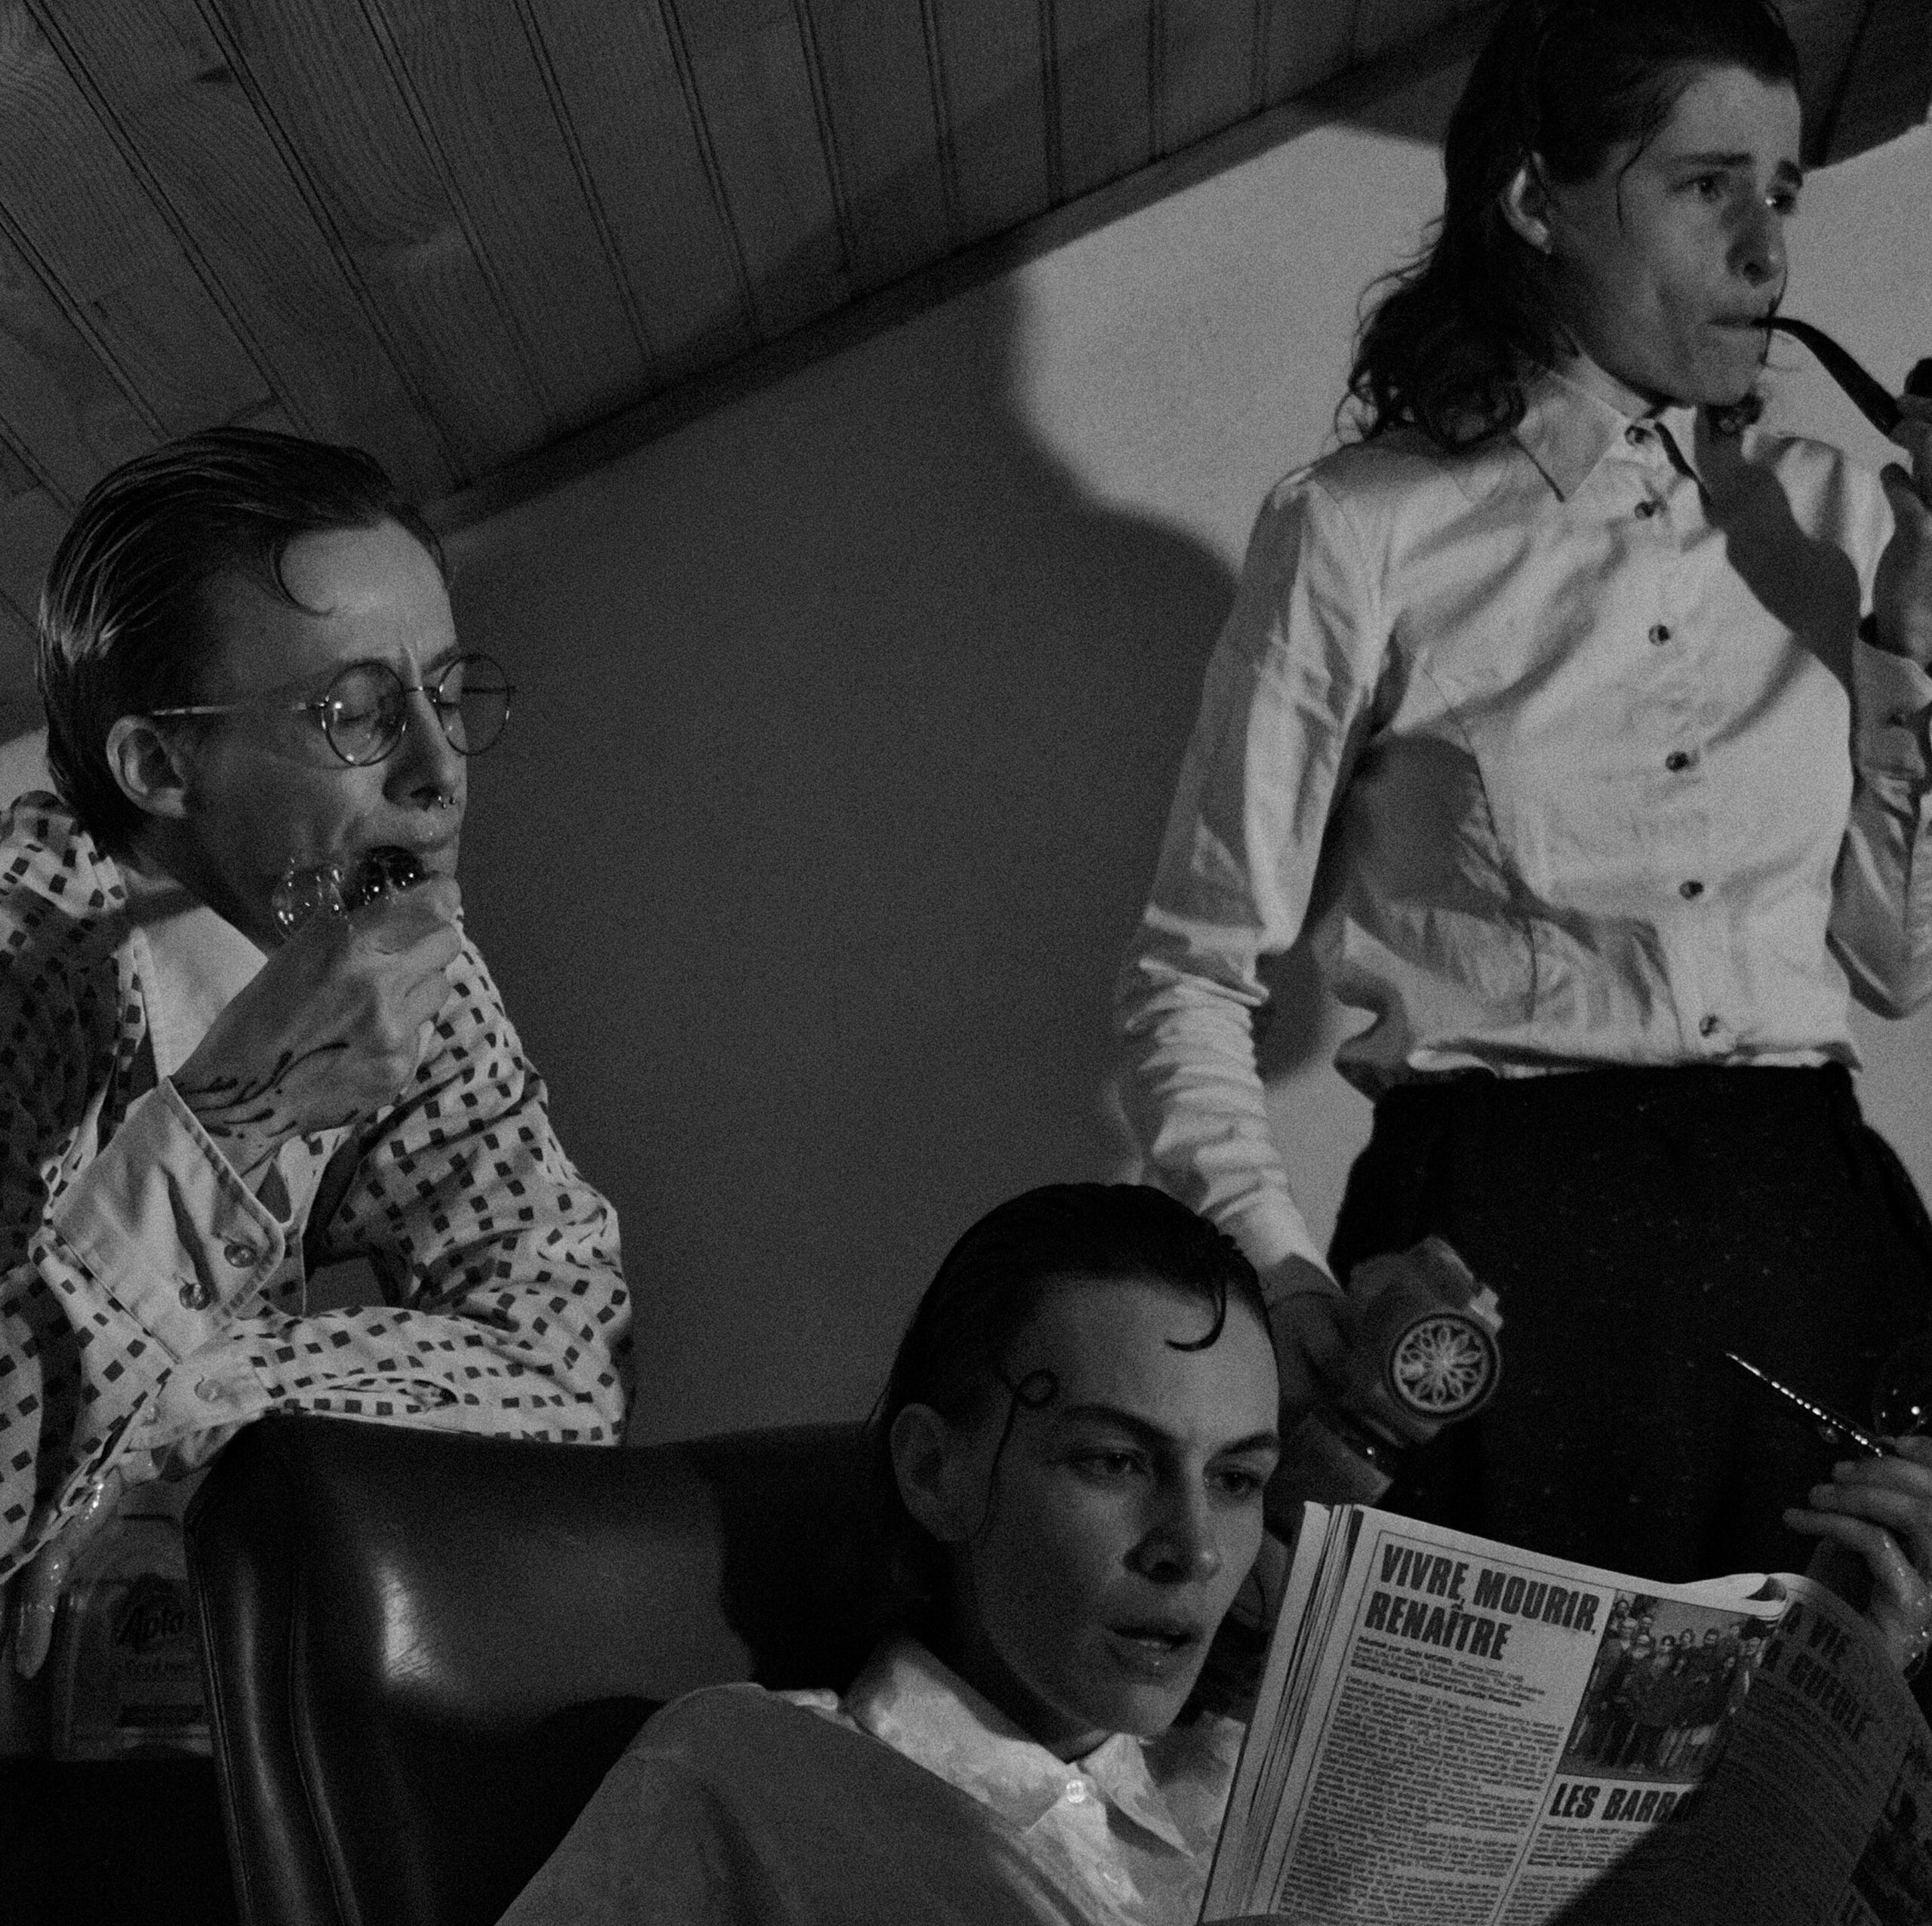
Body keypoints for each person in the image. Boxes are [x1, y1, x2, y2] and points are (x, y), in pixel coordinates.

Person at [1115, 0, 1932, 1586]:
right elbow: (1189, 977)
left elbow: (1894, 964)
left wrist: (1912, 629)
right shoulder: (1362, 526)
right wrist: (1286, 1286)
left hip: (1818, 1251)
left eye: (1780, 191)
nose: (1766, 251)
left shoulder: (1839, 518)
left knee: (1847, 1734)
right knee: (1500, 1746)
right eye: (1706, 186)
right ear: (1534, 201)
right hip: (1497, 1277)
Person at [497, 1184, 1932, 1926]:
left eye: (1238, 1479)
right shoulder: (747, 1773)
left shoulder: (1266, 1797)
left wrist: (1853, 1687)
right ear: (936, 1469)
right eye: (1113, 1462)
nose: (1193, 1547)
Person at [0, 427, 631, 1670]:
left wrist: (182, 1411)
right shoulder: (20, 958)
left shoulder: (392, 940)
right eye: (358, 714)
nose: (440, 772)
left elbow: (568, 1350)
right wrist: (228, 1118)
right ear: (159, 764)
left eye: (445, 693)